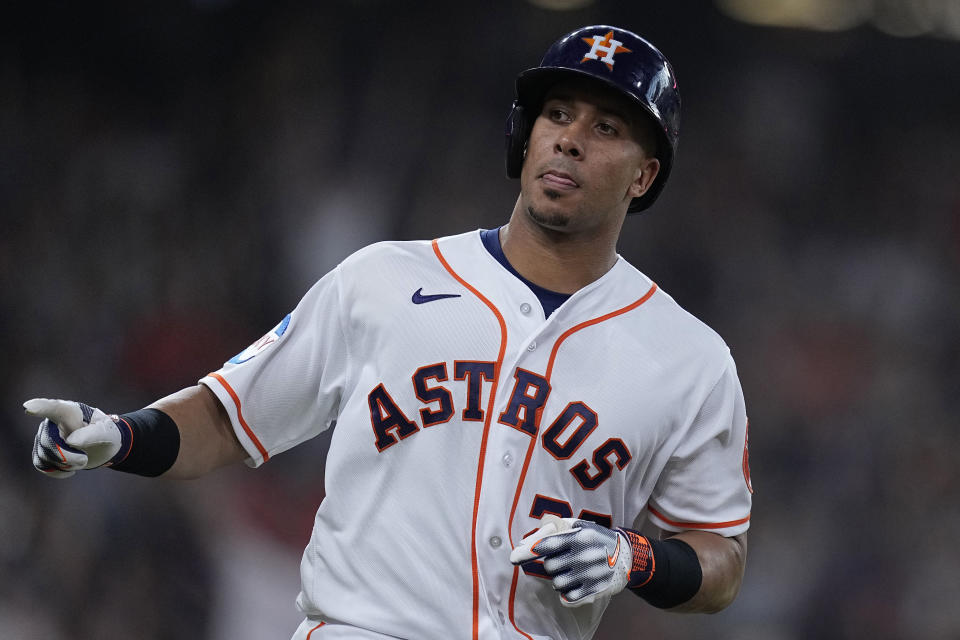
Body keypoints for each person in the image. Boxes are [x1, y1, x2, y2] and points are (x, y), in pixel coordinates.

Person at [27, 25, 752, 640]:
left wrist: (637, 559)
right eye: (556, 114)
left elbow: (719, 558)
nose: (568, 141)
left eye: (605, 128)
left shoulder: (690, 359)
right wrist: (123, 437)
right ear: (523, 135)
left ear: (644, 174)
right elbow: (231, 414)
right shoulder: (383, 279)